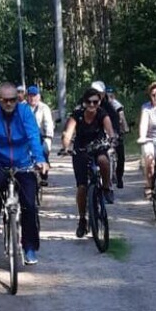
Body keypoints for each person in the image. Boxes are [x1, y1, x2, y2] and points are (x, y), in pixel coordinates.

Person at [0, 81, 47, 265]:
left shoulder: (24, 112)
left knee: (29, 205)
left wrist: (39, 159)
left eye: (12, 100)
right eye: (4, 100)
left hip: (23, 161)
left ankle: (29, 248)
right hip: (0, 159)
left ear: (18, 99)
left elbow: (32, 136)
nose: (8, 104)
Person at [61, 89, 116, 238]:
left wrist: (112, 140)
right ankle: (82, 219)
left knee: (103, 160)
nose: (92, 105)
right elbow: (68, 133)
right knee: (82, 187)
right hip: (80, 149)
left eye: (95, 102)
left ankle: (106, 188)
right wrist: (66, 147)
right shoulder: (77, 114)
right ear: (84, 102)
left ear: (99, 103)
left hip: (98, 146)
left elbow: (110, 130)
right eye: (89, 102)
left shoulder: (102, 114)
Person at [26, 85, 54, 182]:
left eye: (34, 95)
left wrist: (48, 138)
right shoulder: (22, 107)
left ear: (39, 96)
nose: (32, 98)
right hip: (25, 137)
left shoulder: (44, 108)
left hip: (41, 136)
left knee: (44, 150)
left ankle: (44, 175)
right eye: (30, 95)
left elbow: (48, 123)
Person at [105, 84, 129, 188]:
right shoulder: (101, 105)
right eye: (108, 95)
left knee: (121, 156)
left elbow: (122, 118)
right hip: (105, 132)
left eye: (111, 95)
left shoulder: (116, 105)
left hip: (116, 131)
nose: (110, 97)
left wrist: (125, 128)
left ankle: (119, 177)